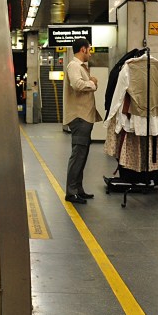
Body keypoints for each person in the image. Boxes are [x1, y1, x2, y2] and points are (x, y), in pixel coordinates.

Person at [63, 37, 102, 204]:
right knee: (78, 154)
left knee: (82, 155)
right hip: (79, 117)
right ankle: (71, 192)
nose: (90, 53)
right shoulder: (74, 66)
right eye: (89, 49)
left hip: (85, 116)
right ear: (83, 49)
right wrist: (92, 82)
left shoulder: (81, 67)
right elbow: (77, 85)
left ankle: (78, 189)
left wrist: (91, 82)